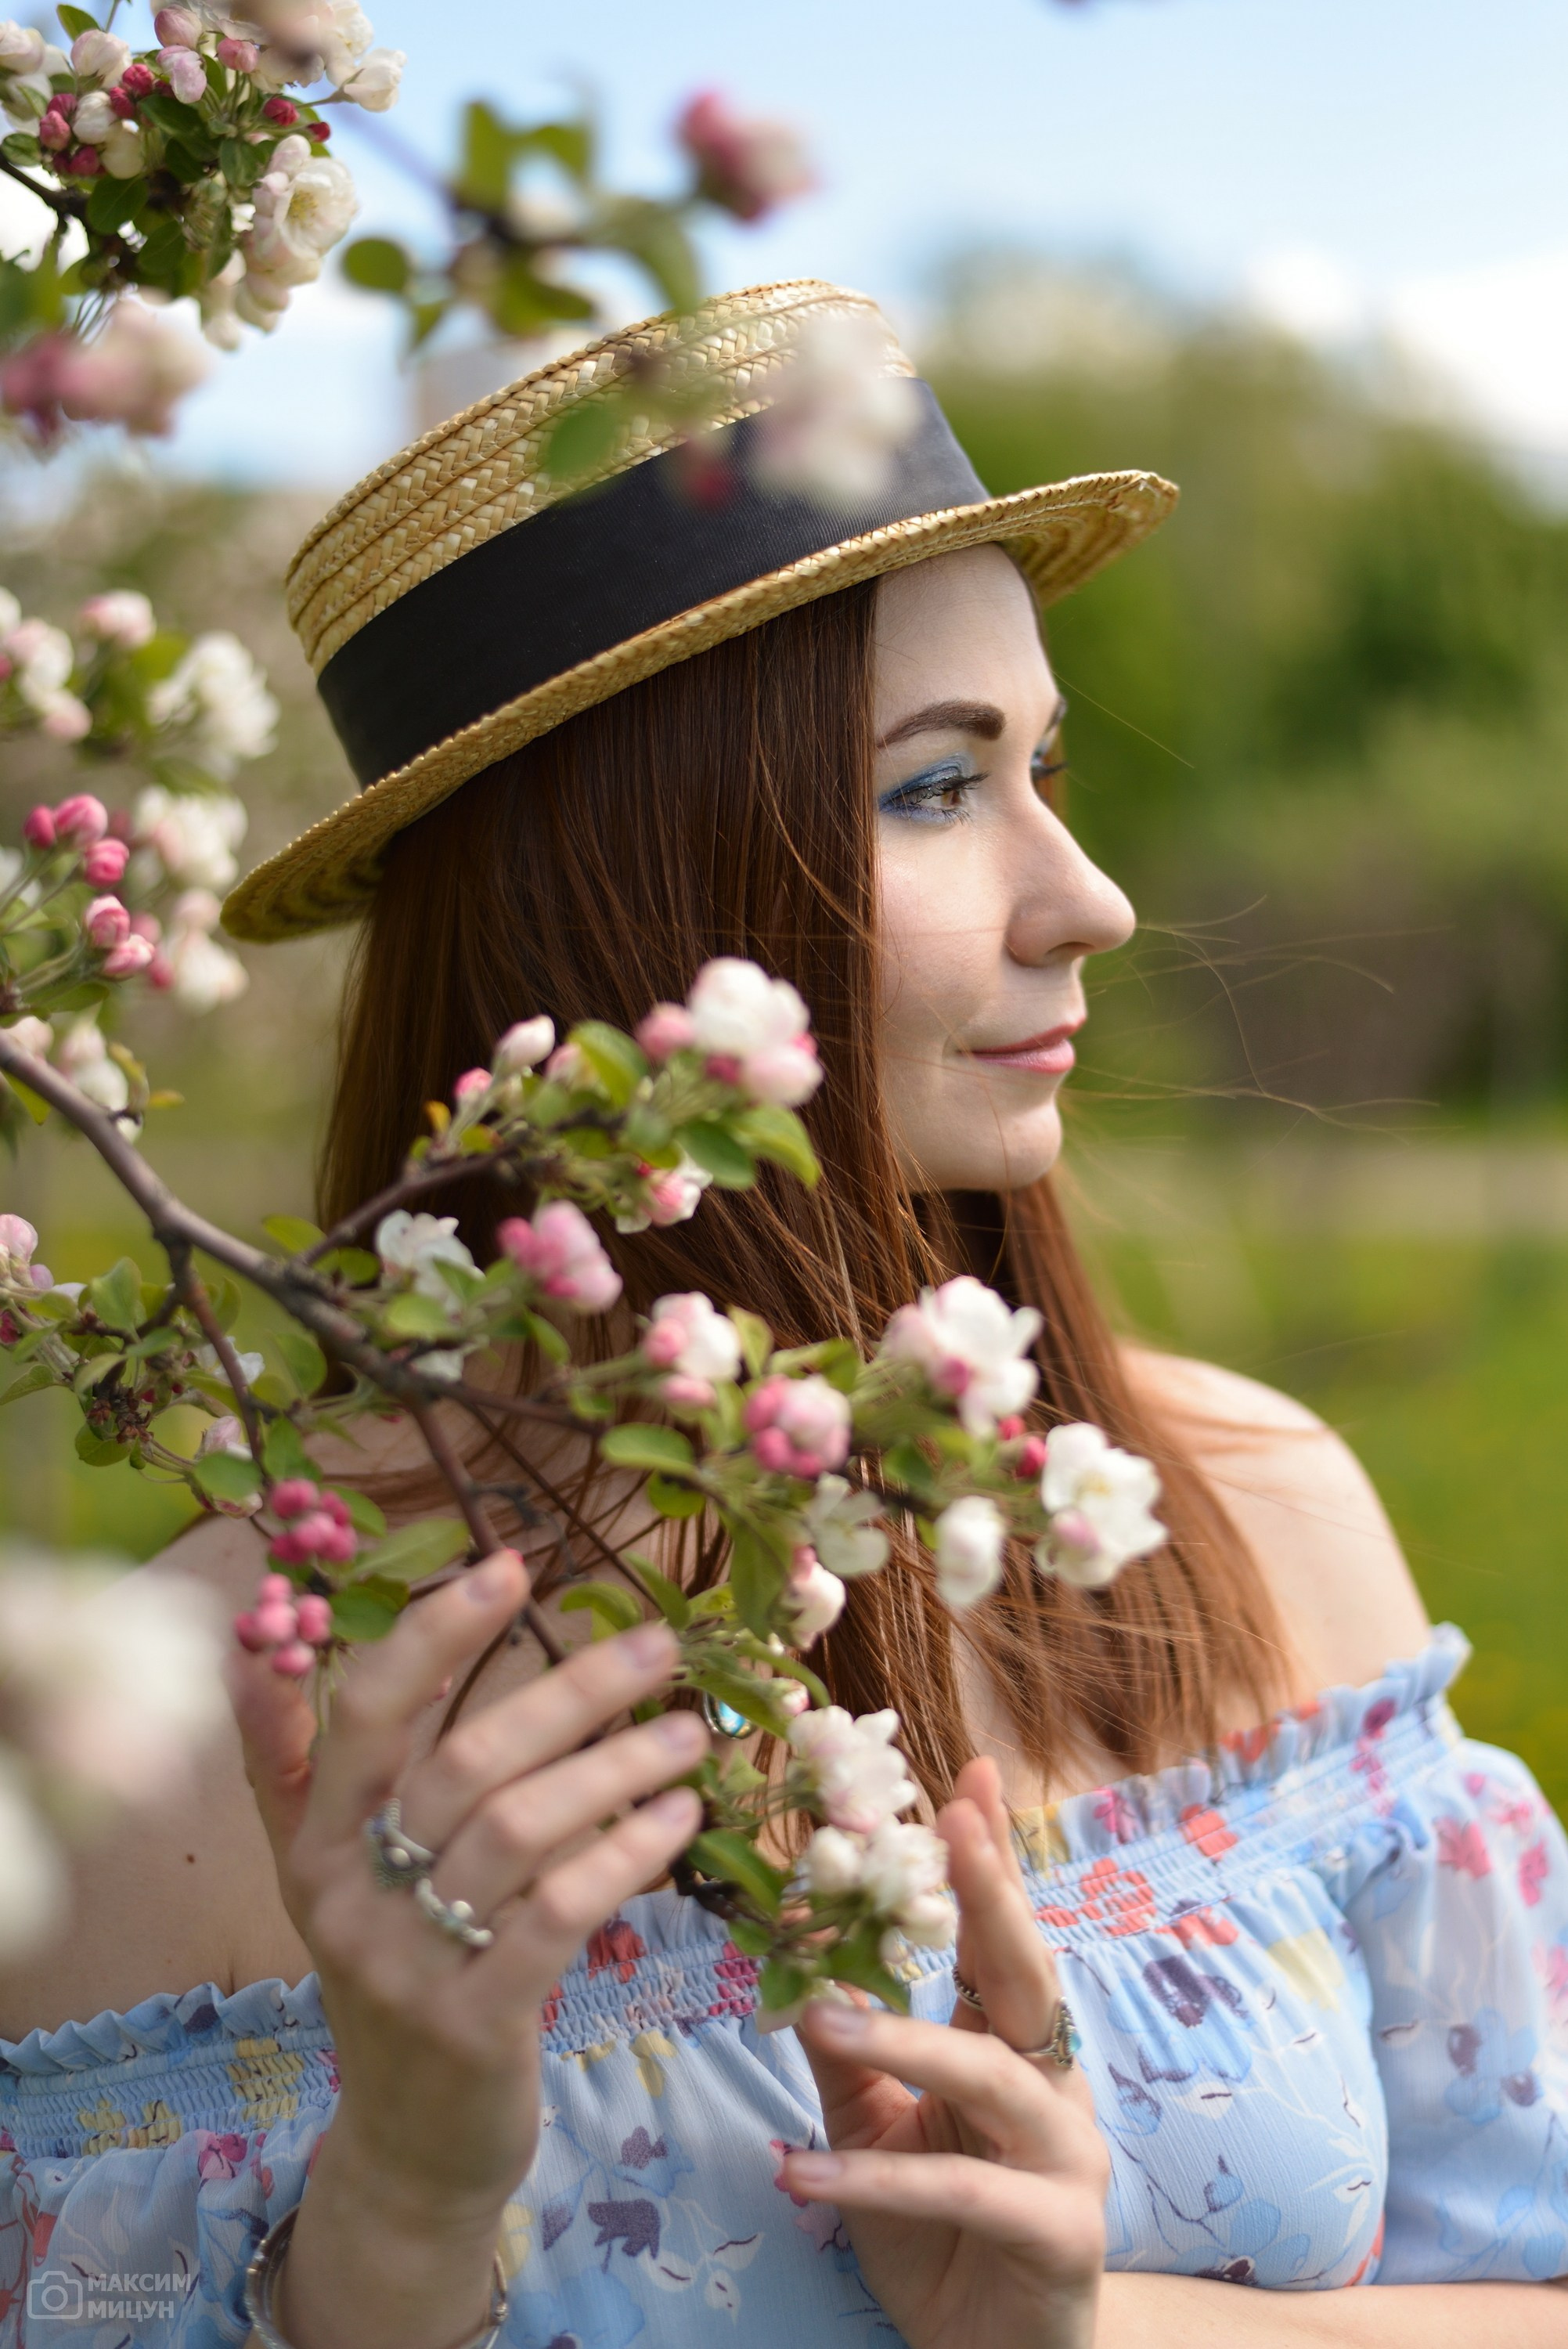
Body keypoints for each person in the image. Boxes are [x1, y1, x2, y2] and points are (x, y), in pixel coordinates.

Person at [1, 280, 1563, 2349]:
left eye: (1044, 764)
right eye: (934, 787)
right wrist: (388, 2220)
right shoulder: (181, 1742)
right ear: (631, 898)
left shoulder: (1248, 1527)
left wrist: (1086, 2330)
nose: (1082, 892)